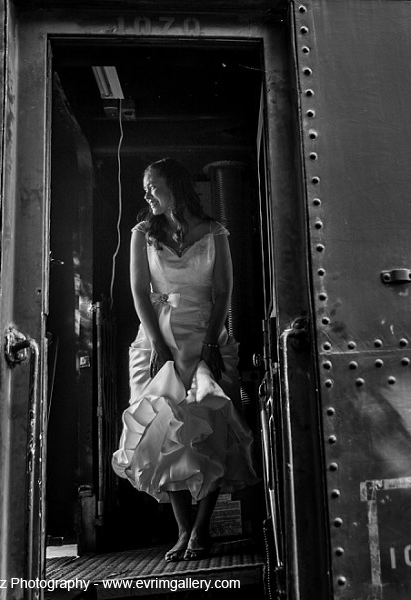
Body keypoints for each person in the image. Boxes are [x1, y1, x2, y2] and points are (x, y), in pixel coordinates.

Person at [112, 157, 257, 561]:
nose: (146, 194)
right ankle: (181, 530)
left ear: (174, 186)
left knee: (211, 430)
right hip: (158, 338)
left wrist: (212, 339)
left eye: (152, 186)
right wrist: (158, 345)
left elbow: (224, 289)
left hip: (206, 336)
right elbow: (140, 293)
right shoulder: (143, 233)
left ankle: (201, 531)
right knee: (163, 435)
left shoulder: (215, 231)